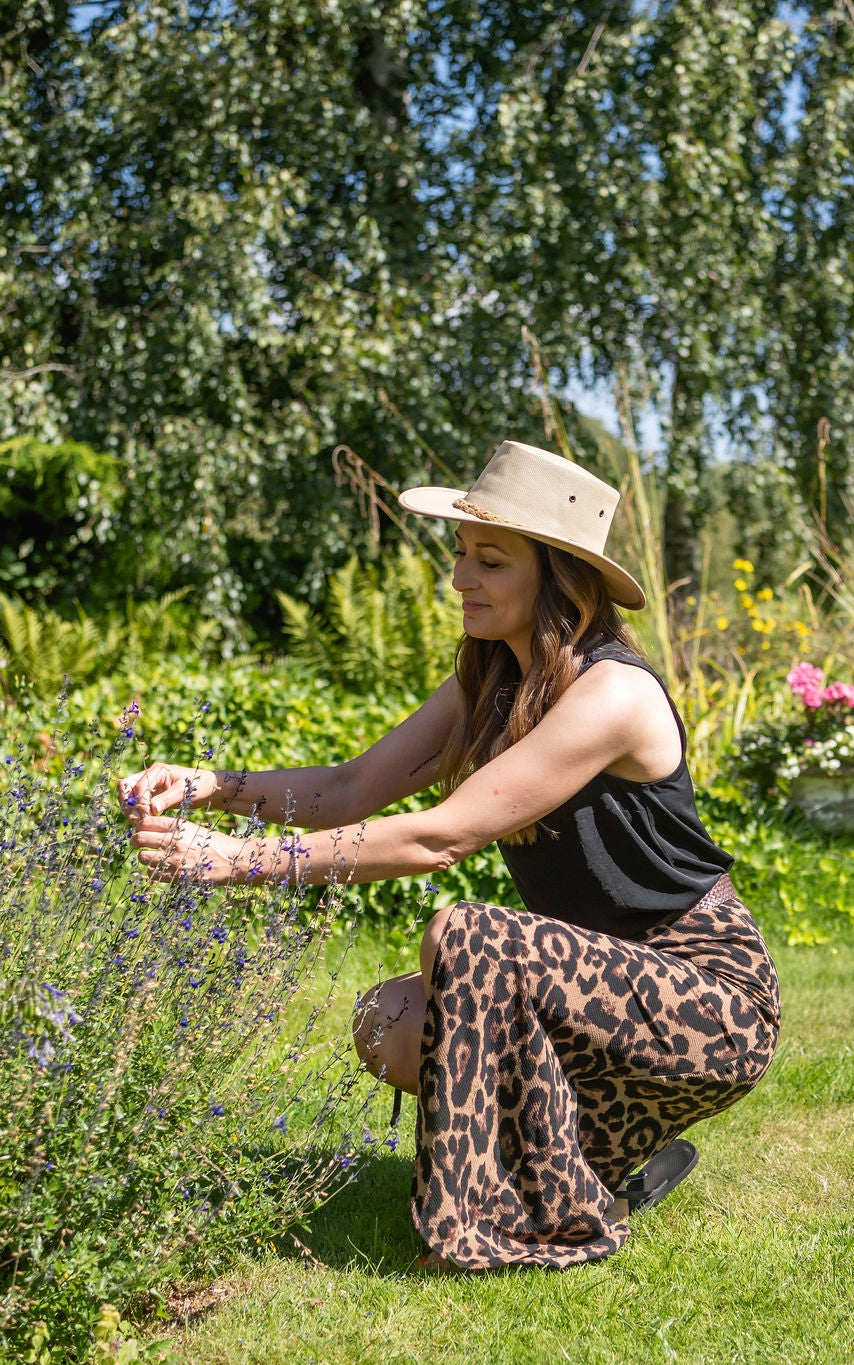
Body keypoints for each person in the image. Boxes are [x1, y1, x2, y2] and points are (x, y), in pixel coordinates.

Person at [118, 440, 778, 1271]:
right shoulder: (494, 679)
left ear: (559, 577)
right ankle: (581, 1170)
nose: (461, 576)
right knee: (386, 1024)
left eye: (490, 559)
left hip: (707, 999)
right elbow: (352, 788)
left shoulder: (613, 692)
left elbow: (443, 836)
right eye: (461, 553)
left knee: (466, 936)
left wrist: (232, 862)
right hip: (592, 987)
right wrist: (211, 784)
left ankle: (480, 1224)